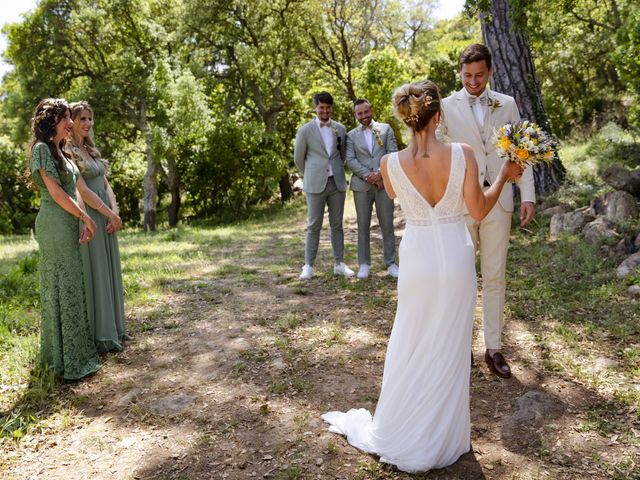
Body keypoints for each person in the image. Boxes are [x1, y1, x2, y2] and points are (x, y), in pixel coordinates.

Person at [321, 80, 523, 472]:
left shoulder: (389, 164)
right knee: (449, 342)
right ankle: (443, 436)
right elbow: (478, 210)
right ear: (439, 114)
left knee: (412, 338)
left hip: (416, 257)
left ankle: (406, 427)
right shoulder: (462, 154)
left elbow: (398, 196)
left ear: (407, 117)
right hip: (455, 254)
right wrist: (505, 175)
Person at [439, 43, 536, 378]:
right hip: (461, 204)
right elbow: (436, 153)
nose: (474, 81)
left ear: (490, 71)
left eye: (479, 75)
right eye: (467, 76)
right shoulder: (446, 106)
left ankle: (493, 348)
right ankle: (459, 348)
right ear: (460, 74)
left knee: (495, 276)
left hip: (500, 201)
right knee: (462, 278)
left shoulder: (506, 104)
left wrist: (528, 195)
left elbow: (522, 150)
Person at [25, 98, 101, 380]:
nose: (71, 123)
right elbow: (57, 194)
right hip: (54, 225)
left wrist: (82, 218)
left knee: (71, 287)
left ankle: (75, 354)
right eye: (66, 118)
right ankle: (62, 360)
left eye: (71, 117)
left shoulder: (61, 151)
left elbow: (77, 189)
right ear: (51, 121)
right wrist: (85, 217)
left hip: (68, 223)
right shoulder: (42, 150)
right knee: (60, 287)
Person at [65, 101, 126, 353]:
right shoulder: (67, 150)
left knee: (110, 271)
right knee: (97, 273)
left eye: (90, 118)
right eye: (82, 119)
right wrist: (95, 216)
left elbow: (106, 183)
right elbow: (82, 190)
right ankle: (101, 335)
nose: (88, 123)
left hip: (107, 216)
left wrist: (115, 213)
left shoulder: (90, 149)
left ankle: (116, 329)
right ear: (71, 122)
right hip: (91, 215)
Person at [294, 91, 354, 280]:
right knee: (314, 225)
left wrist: (335, 169)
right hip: (315, 184)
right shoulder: (305, 131)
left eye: (328, 107)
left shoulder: (340, 129)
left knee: (337, 225)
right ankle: (309, 266)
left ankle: (339, 264)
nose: (325, 111)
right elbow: (298, 159)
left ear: (331, 108)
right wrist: (311, 174)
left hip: (336, 182)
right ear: (315, 108)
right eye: (321, 107)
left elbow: (343, 154)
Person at [345, 99, 399, 279]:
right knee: (362, 225)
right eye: (359, 114)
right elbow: (350, 160)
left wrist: (381, 174)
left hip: (384, 184)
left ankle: (391, 263)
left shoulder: (386, 129)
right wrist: (369, 176)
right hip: (362, 185)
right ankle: (364, 264)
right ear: (355, 115)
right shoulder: (351, 135)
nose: (364, 116)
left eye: (366, 112)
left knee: (387, 225)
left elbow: (392, 153)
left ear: (371, 110)